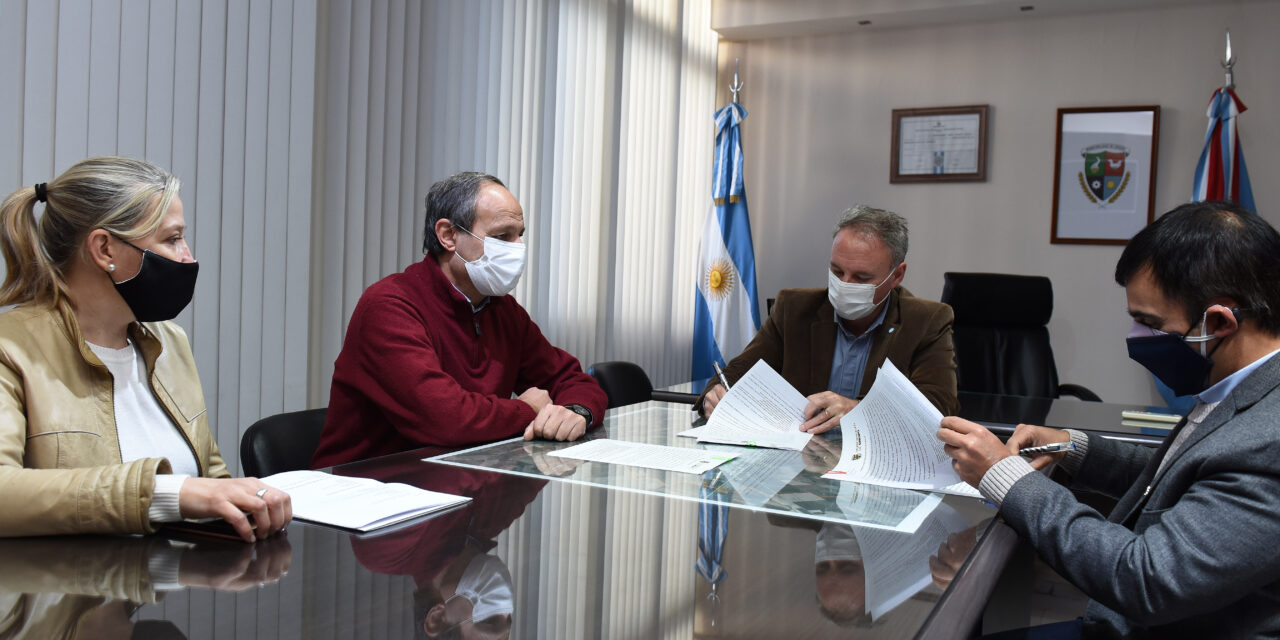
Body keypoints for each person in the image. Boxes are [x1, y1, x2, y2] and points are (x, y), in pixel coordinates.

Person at [939, 201, 1280, 638]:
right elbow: (1187, 477)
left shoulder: (1269, 440)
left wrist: (1005, 478)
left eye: (1150, 323)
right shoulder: (1242, 384)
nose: (1138, 338)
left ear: (1218, 321)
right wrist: (1075, 448)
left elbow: (1146, 580)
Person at [0, 156, 291, 543]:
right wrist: (171, 493)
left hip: (174, 587)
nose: (187, 256)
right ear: (104, 249)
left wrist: (247, 502)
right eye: (172, 239)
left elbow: (211, 480)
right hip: (62, 596)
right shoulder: (11, 348)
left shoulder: (169, 341)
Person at [312, 172, 607, 468]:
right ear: (449, 236)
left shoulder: (501, 309)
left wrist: (575, 411)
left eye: (520, 234)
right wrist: (527, 410)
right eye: (503, 236)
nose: (517, 248)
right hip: (368, 490)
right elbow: (444, 418)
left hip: (460, 479)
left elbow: (570, 378)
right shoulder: (390, 306)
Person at [700, 205, 958, 432]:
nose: (845, 284)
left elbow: (938, 408)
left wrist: (858, 411)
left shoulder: (926, 321)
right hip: (797, 463)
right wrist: (714, 395)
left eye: (862, 278)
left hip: (875, 467)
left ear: (897, 275)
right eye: (837, 271)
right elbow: (735, 373)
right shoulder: (794, 309)